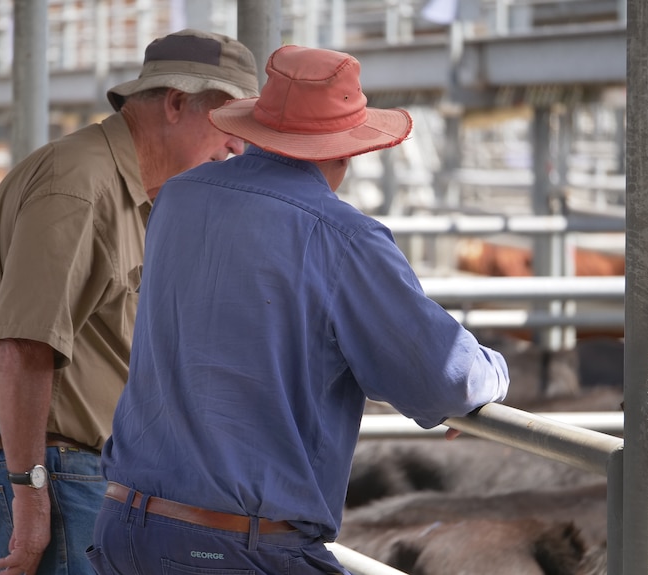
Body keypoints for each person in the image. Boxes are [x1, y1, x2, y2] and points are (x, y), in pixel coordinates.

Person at [88, 45, 510, 575]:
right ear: (346, 150)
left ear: (257, 127)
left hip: (126, 526)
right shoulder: (344, 237)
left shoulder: (177, 198)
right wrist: (496, 372)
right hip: (236, 548)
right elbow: (442, 376)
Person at [0, 28, 258, 575]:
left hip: (71, 469)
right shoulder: (82, 184)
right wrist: (31, 492)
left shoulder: (128, 188)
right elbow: (22, 344)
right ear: (177, 103)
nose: (238, 145)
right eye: (229, 121)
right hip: (54, 470)